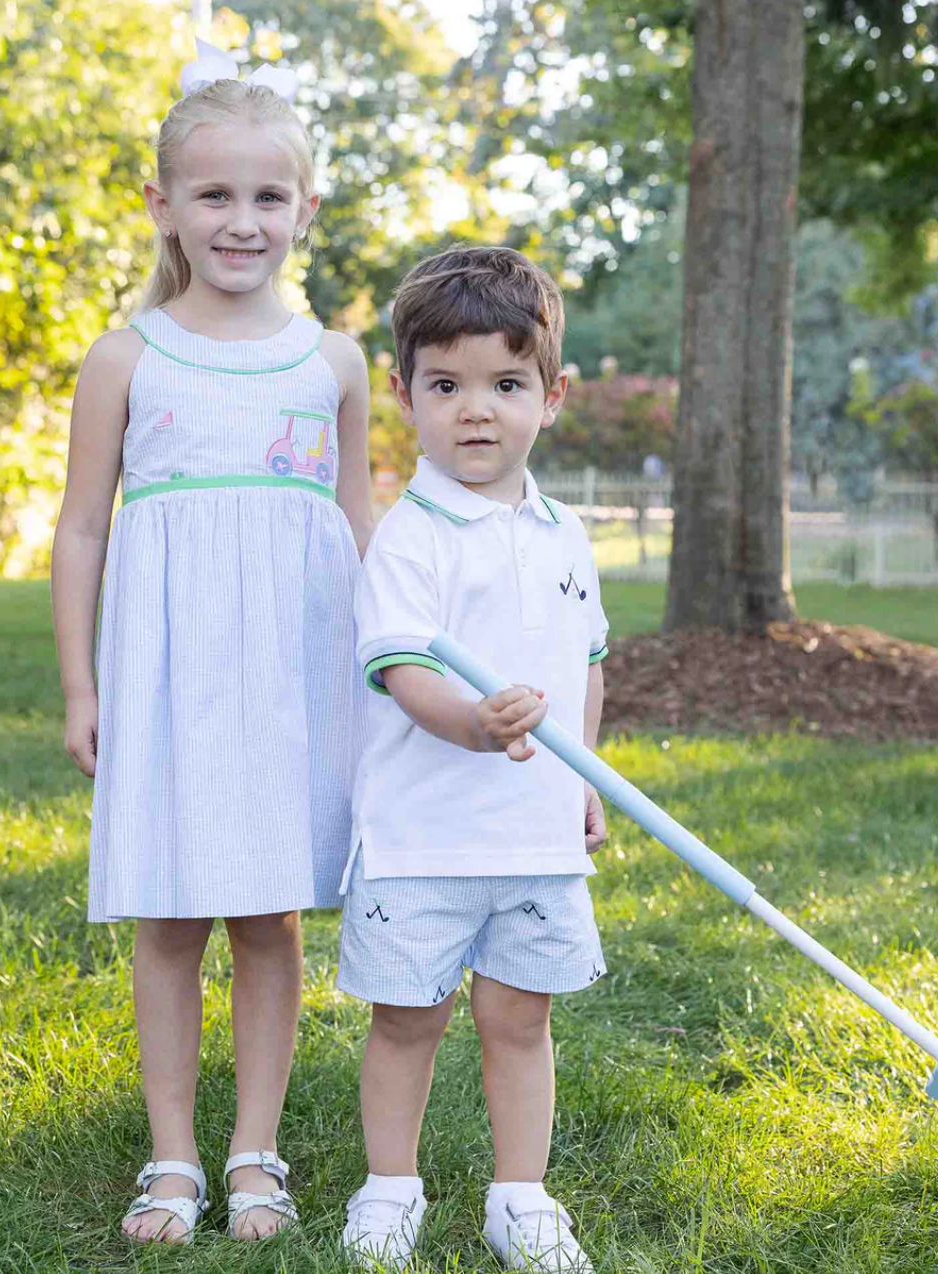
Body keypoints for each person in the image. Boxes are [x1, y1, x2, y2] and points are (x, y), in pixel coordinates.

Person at [50, 40, 372, 1246]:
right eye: (215, 194)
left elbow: (357, 528)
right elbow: (83, 528)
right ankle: (173, 1152)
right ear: (163, 203)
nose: (243, 220)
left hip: (293, 675)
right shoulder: (127, 357)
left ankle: (255, 1151)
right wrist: (80, 684)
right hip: (168, 674)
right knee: (172, 913)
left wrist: (388, 670)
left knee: (270, 912)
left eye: (268, 195)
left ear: (306, 207)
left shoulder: (331, 362)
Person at [337, 246, 607, 1272]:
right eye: (446, 386)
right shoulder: (409, 536)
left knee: (520, 1020)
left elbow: (586, 663)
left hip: (534, 840)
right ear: (404, 392)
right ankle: (389, 1187)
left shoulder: (565, 533)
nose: (476, 412)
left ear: (551, 395)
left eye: (505, 384)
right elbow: (404, 672)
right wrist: (475, 725)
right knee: (408, 1020)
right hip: (422, 840)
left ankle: (520, 1197)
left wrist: (583, 774)